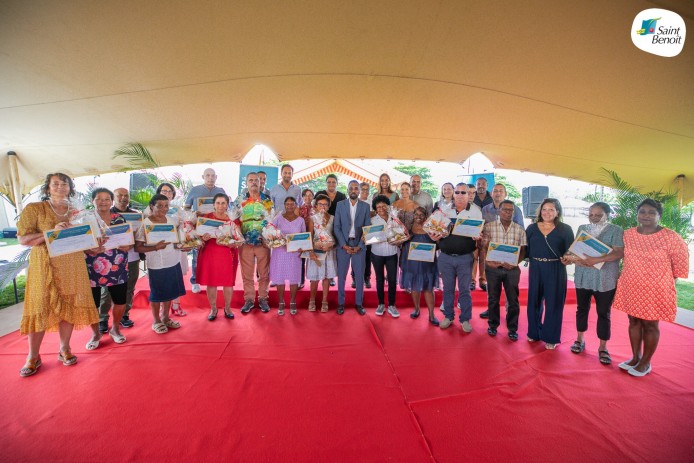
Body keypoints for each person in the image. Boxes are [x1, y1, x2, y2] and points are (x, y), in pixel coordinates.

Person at [17, 173, 99, 376]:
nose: (61, 187)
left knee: (69, 305)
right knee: (40, 306)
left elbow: (88, 242)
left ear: (70, 188)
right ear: (47, 188)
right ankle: (33, 356)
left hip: (72, 264)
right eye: (56, 184)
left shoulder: (78, 211)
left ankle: (65, 349)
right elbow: (23, 239)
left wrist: (96, 245)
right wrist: (50, 233)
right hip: (44, 266)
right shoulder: (35, 209)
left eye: (65, 184)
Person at [612, 199, 689, 377]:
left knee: (650, 325)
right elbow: (616, 252)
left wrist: (664, 282)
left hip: (656, 289)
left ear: (659, 216)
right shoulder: (628, 234)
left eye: (651, 212)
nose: (646, 215)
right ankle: (635, 358)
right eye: (642, 212)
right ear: (637, 214)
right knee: (633, 321)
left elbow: (680, 264)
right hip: (631, 285)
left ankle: (645, 363)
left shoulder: (670, 237)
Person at [569, 202, 624, 364]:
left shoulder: (616, 230)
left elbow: (619, 253)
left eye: (598, 215)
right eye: (591, 214)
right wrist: (570, 258)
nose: (594, 218)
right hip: (583, 275)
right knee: (581, 309)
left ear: (608, 214)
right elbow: (575, 249)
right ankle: (579, 339)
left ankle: (603, 347)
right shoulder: (582, 228)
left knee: (604, 313)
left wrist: (597, 260)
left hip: (605, 278)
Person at [430, 182, 483, 332]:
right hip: (445, 257)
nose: (460, 195)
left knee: (465, 290)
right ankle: (448, 316)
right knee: (447, 289)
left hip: (465, 257)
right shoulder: (444, 210)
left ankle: (465, 319)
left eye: (463, 192)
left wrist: (478, 236)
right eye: (457, 192)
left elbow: (479, 232)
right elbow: (434, 230)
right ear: (453, 194)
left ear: (469, 195)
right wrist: (434, 236)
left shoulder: (476, 211)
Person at [84, 188, 131, 350]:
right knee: (92, 304)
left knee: (120, 301)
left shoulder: (119, 218)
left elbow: (128, 242)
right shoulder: (85, 220)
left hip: (117, 266)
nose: (103, 202)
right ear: (92, 201)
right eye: (99, 199)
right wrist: (89, 249)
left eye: (106, 199)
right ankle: (96, 333)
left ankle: (115, 329)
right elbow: (79, 244)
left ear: (112, 201)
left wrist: (124, 245)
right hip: (91, 268)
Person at [525, 198, 574, 349]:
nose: (547, 212)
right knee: (533, 301)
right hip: (535, 267)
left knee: (554, 303)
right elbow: (524, 249)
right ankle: (534, 332)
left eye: (551, 209)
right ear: (540, 211)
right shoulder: (532, 228)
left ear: (557, 212)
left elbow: (571, 252)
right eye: (544, 209)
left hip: (555, 268)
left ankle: (551, 337)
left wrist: (569, 259)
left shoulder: (565, 229)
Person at [135, 195, 186, 334]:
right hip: (156, 264)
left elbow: (177, 242)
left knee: (170, 291)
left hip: (173, 261)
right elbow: (137, 247)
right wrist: (155, 247)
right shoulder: (145, 223)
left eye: (166, 205)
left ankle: (165, 318)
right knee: (157, 294)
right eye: (160, 205)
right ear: (152, 206)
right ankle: (156, 320)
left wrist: (185, 246)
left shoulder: (172, 221)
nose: (164, 208)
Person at [482, 200, 527, 340]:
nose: (508, 213)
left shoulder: (520, 229)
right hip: (493, 269)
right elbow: (483, 247)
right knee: (493, 299)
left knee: (513, 300)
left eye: (511, 210)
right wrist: (488, 261)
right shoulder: (488, 227)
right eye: (505, 210)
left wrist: (515, 263)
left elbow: (524, 250)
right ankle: (493, 325)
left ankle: (512, 328)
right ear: (499, 211)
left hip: (512, 270)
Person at [478, 183, 525, 318]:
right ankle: (491, 311)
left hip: (509, 253)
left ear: (505, 194)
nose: (498, 193)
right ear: (491, 193)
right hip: (492, 254)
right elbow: (482, 228)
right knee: (493, 288)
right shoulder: (485, 209)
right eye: (495, 191)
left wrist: (516, 258)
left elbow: (520, 230)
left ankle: (509, 311)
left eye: (500, 191)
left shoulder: (515, 209)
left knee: (510, 289)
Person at [98, 187, 141, 332]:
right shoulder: (103, 216)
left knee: (129, 288)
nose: (123, 198)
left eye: (126, 195)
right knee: (106, 290)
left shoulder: (136, 216)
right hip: (107, 259)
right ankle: (103, 318)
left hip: (132, 256)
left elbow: (141, 235)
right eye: (119, 195)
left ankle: (124, 315)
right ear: (113, 199)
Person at [234, 172, 274, 314]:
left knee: (264, 273)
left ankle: (263, 298)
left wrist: (268, 236)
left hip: (262, 242)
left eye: (256, 180)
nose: (254, 183)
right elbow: (234, 220)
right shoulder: (240, 199)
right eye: (251, 180)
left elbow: (271, 220)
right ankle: (249, 299)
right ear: (247, 182)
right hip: (245, 242)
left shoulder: (267, 199)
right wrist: (238, 236)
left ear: (260, 182)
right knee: (247, 274)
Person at [196, 193, 239, 321]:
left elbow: (238, 238)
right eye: (218, 203)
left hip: (227, 253)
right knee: (211, 281)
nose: (221, 206)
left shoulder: (233, 220)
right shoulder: (206, 218)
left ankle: (227, 308)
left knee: (228, 283)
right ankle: (213, 308)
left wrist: (233, 242)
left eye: (223, 203)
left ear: (227, 204)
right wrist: (202, 238)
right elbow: (198, 237)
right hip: (210, 252)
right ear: (214, 205)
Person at [147, 182, 188, 316]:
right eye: (164, 191)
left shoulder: (177, 209)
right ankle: (158, 317)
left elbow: (183, 228)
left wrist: (187, 241)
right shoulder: (148, 212)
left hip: (174, 251)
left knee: (174, 280)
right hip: (156, 255)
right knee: (159, 287)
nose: (167, 193)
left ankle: (175, 306)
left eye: (169, 191)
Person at [184, 168, 226, 294]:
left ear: (216, 177)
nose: (210, 178)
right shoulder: (195, 190)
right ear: (203, 176)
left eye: (213, 175)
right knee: (197, 255)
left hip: (216, 227)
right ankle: (195, 281)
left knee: (214, 254)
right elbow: (186, 208)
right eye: (207, 175)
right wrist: (193, 214)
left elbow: (226, 206)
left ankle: (213, 279)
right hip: (199, 227)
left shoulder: (220, 191)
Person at [334, 180, 371, 315]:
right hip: (343, 245)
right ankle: (341, 303)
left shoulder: (365, 207)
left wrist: (360, 246)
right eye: (351, 188)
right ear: (348, 190)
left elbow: (367, 229)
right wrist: (343, 245)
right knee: (342, 276)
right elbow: (336, 227)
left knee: (360, 277)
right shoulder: (340, 205)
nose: (354, 190)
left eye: (356, 188)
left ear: (359, 191)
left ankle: (359, 304)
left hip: (359, 247)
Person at [400, 207, 439, 326]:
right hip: (412, 261)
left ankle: (432, 314)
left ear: (426, 216)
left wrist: (436, 241)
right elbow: (401, 241)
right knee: (414, 286)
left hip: (427, 262)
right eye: (416, 214)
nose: (418, 216)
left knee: (428, 288)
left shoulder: (431, 227)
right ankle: (416, 309)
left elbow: (438, 244)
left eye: (421, 214)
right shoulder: (409, 226)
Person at [269, 197, 306, 315]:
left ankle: (293, 302)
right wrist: (275, 239)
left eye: (292, 204)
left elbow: (304, 237)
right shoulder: (278, 219)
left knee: (294, 279)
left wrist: (302, 248)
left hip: (294, 254)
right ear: (284, 205)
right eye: (287, 204)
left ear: (296, 205)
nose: (289, 206)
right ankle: (281, 302)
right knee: (280, 279)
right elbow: (270, 232)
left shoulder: (301, 220)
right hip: (280, 252)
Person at [369, 195, 400, 318]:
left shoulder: (394, 218)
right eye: (378, 207)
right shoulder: (372, 221)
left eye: (383, 206)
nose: (381, 208)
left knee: (392, 280)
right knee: (379, 279)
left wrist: (399, 241)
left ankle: (392, 305)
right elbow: (368, 236)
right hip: (377, 253)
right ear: (375, 209)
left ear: (388, 206)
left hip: (392, 252)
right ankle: (381, 304)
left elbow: (400, 234)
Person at [306, 194, 337, 312]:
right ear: (316, 206)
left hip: (328, 251)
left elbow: (335, 235)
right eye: (320, 204)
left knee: (326, 277)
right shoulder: (312, 219)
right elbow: (309, 236)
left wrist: (331, 244)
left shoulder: (333, 218)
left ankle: (325, 301)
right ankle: (312, 300)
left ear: (329, 206)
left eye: (325, 204)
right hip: (316, 251)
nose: (322, 206)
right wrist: (311, 250)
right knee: (314, 278)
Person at [316, 174, 346, 287]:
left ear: (337, 183)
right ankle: (317, 275)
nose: (331, 184)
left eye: (333, 182)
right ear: (326, 183)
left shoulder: (342, 195)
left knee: (333, 252)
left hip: (336, 226)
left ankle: (331, 276)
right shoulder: (320, 193)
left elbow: (345, 212)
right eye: (329, 182)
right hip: (321, 225)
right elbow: (315, 208)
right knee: (320, 250)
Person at [471, 178, 493, 292]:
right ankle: (471, 281)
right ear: (476, 185)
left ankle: (483, 280)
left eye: (483, 184)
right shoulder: (471, 197)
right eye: (478, 184)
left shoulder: (492, 197)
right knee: (473, 256)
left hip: (487, 233)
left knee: (484, 257)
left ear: (487, 185)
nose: (481, 186)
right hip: (474, 233)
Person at [352, 182, 373, 289]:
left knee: (367, 257)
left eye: (367, 189)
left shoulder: (371, 202)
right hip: (356, 233)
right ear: (359, 190)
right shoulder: (354, 201)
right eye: (362, 189)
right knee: (355, 255)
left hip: (368, 233)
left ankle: (367, 278)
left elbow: (373, 215)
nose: (365, 191)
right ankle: (354, 277)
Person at [298, 188, 314, 288]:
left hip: (313, 235)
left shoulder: (316, 208)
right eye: (306, 195)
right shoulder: (299, 209)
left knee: (313, 258)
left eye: (310, 195)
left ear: (313, 197)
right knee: (302, 259)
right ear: (303, 197)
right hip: (303, 236)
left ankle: (314, 278)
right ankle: (301, 281)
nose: (308, 197)